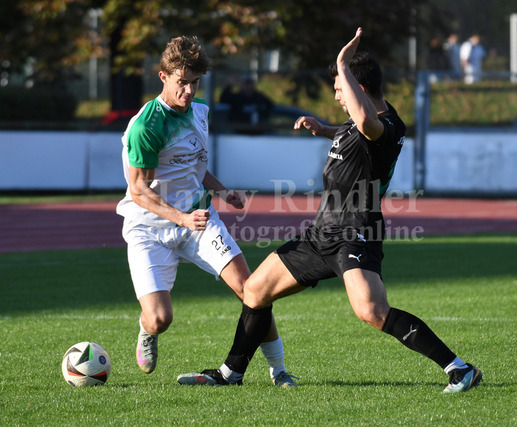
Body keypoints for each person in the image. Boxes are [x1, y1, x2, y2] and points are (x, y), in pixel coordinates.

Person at [177, 28, 482, 393]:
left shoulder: (385, 125)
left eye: (340, 88)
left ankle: (459, 369)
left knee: (372, 311)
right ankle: (231, 373)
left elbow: (367, 126)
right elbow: (355, 128)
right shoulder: (360, 121)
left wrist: (342, 63)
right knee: (255, 290)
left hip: (355, 232)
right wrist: (324, 129)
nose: (337, 95)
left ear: (359, 90)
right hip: (322, 231)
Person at [115, 35, 296, 387]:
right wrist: (182, 218)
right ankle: (147, 328)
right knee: (160, 318)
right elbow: (139, 191)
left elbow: (192, 166)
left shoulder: (200, 111)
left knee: (252, 289)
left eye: (195, 82)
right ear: (163, 76)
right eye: (182, 82)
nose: (189, 90)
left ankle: (279, 370)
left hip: (199, 219)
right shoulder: (146, 127)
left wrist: (222, 190)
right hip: (149, 228)